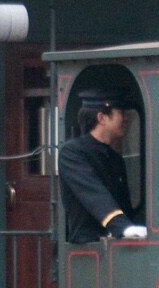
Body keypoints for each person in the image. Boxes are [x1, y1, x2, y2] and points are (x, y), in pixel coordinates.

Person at [58, 89, 146, 245]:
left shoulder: (115, 159)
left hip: (114, 244)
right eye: (120, 113)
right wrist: (123, 228)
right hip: (88, 245)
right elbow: (93, 194)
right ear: (102, 117)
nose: (125, 118)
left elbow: (124, 203)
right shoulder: (72, 152)